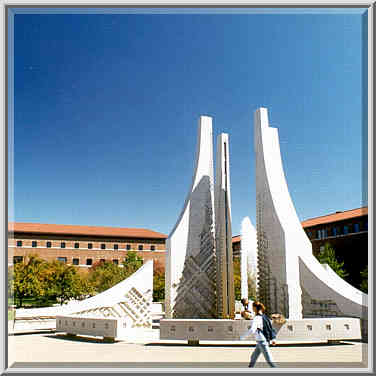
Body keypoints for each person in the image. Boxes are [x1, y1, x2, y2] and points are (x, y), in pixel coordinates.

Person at [240, 301, 276, 368]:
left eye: (253, 307)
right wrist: (273, 338)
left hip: (262, 341)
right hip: (262, 341)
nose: (252, 309)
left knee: (269, 360)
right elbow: (270, 328)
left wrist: (243, 337)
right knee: (253, 357)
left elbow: (252, 330)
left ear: (255, 308)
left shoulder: (257, 318)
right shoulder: (265, 317)